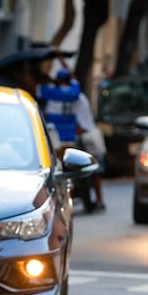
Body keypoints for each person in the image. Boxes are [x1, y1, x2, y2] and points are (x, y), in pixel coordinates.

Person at [42, 67, 105, 210]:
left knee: (59, 171)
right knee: (80, 170)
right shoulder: (76, 95)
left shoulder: (51, 93)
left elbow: (40, 89)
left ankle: (62, 201)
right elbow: (85, 120)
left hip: (55, 140)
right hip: (73, 138)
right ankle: (92, 199)